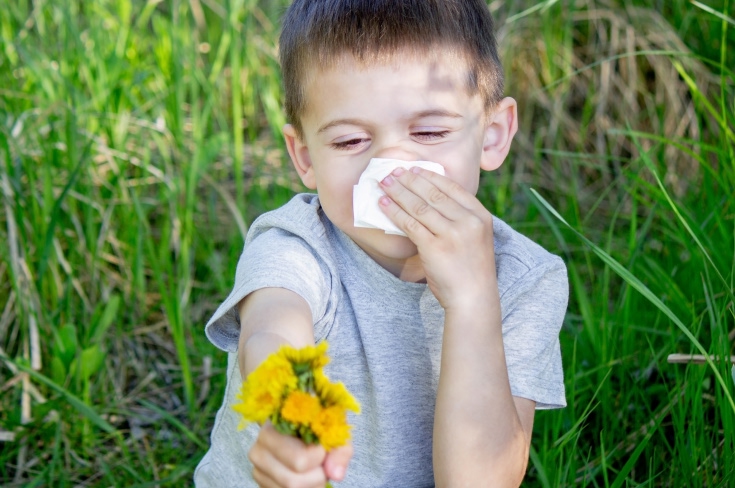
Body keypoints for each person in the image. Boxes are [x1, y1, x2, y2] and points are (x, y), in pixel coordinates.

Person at [194, 1, 568, 486]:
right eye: (350, 142)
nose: (392, 167)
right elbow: (271, 330)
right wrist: (284, 409)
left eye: (429, 132)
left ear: (492, 135)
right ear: (305, 157)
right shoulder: (296, 243)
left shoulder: (523, 278)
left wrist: (474, 302)